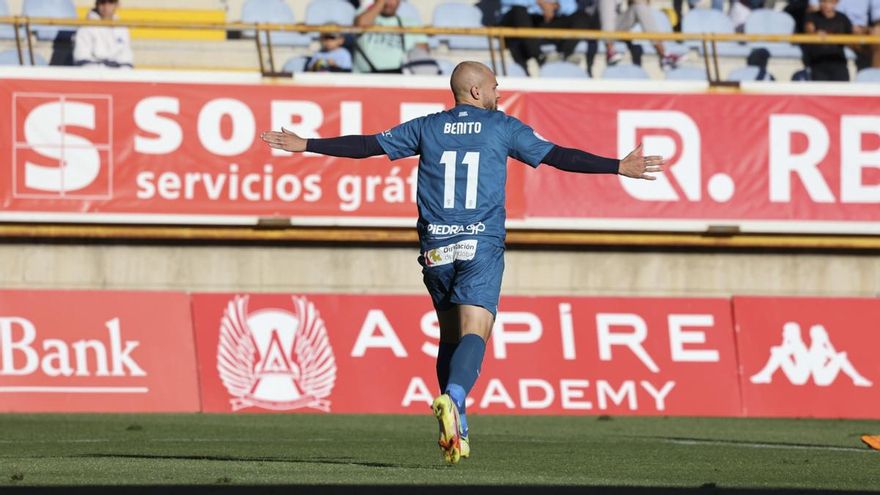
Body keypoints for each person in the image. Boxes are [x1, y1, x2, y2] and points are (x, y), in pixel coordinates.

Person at [261, 61, 663, 464]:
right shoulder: (502, 127)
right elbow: (558, 155)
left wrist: (308, 144)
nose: (499, 93)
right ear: (475, 92)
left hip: (436, 248)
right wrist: (617, 166)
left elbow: (368, 145)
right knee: (477, 330)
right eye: (494, 87)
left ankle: (455, 424)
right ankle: (454, 397)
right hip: (479, 244)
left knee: (450, 336)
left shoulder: (426, 126)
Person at [499, 0, 593, 75]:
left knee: (582, 17)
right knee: (519, 11)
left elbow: (571, 7)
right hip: (521, 18)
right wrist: (539, 2)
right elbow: (508, 2)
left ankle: (565, 55)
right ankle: (540, 58)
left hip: (547, 19)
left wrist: (556, 5)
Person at [600, 0, 682, 70]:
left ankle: (664, 55)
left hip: (614, 26)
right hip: (593, 24)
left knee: (639, 7)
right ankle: (610, 50)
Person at [352, 0, 430, 73]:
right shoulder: (363, 15)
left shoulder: (412, 24)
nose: (388, 2)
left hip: (400, 79)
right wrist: (380, 3)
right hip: (365, 79)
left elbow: (422, 56)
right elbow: (360, 25)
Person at [73, 0, 133, 69]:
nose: (106, 7)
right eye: (102, 2)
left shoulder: (122, 28)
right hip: (93, 75)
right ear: (96, 4)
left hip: (117, 75)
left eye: (110, 2)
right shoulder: (85, 28)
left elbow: (126, 59)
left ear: (117, 5)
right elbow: (82, 59)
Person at [803, 0, 853, 81]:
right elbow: (808, 29)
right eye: (823, 2)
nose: (826, 5)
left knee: (842, 91)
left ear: (836, 3)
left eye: (830, 2)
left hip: (838, 61)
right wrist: (815, 33)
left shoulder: (842, 18)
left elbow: (852, 40)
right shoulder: (812, 16)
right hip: (817, 62)